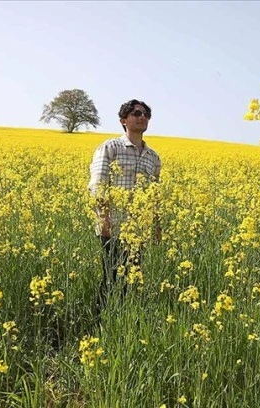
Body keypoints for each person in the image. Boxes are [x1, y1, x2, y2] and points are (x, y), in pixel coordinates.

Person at [87, 99, 162, 315]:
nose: (142, 117)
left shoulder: (153, 157)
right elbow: (98, 185)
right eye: (136, 113)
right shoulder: (110, 148)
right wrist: (104, 219)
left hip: (138, 231)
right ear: (123, 120)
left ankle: (126, 319)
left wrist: (156, 226)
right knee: (111, 277)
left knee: (134, 277)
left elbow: (154, 194)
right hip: (113, 226)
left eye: (146, 114)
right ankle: (102, 320)